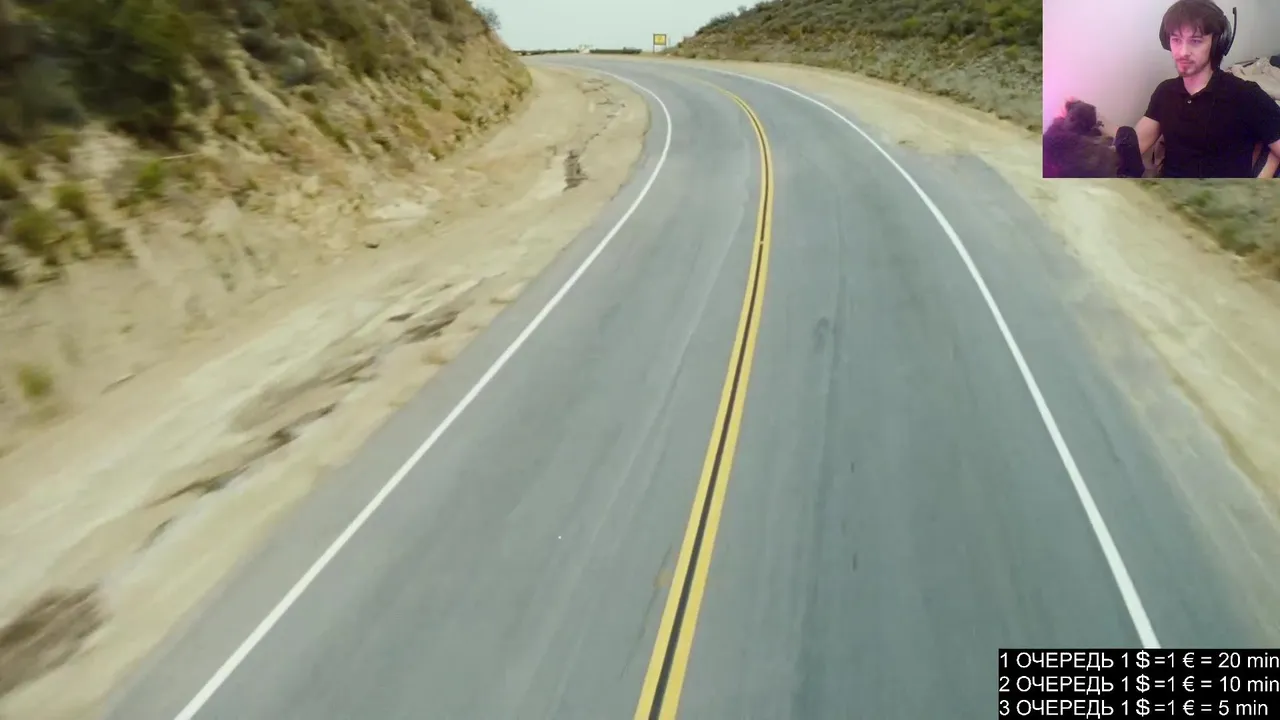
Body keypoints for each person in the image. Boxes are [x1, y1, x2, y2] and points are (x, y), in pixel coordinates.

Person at [1134, 0, 1280, 178]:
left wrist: (1264, 177)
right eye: (1176, 40)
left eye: (1196, 41)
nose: (1183, 52)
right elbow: (1134, 146)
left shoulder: (1245, 95)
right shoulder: (1165, 92)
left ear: (1217, 43)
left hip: (1223, 195)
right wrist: (1102, 123)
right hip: (1167, 193)